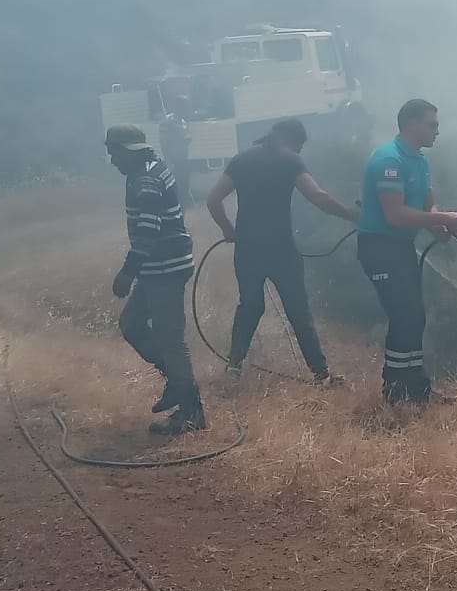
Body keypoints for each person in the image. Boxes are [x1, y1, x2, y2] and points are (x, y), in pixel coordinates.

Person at [205, 117, 358, 384]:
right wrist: (349, 214)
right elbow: (317, 196)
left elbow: (213, 199)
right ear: (293, 140)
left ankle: (234, 367)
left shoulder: (241, 160)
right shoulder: (290, 160)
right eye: (300, 146)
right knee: (298, 311)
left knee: (249, 306)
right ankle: (321, 375)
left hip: (248, 250)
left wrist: (228, 230)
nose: (299, 151)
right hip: (281, 250)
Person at [356, 99, 457, 403]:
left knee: (415, 316)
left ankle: (416, 389)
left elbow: (427, 204)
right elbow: (395, 215)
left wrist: (439, 225)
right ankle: (395, 391)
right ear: (411, 124)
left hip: (400, 247)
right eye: (432, 125)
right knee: (404, 314)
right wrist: (445, 219)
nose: (437, 131)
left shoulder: (419, 160)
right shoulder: (389, 161)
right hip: (379, 247)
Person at [104, 123, 206, 435]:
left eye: (114, 153)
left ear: (127, 151)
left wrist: (127, 272)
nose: (112, 161)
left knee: (170, 339)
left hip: (164, 267)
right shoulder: (147, 168)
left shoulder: (145, 178)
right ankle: (176, 382)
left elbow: (148, 229)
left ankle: (191, 411)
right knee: (131, 324)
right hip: (158, 267)